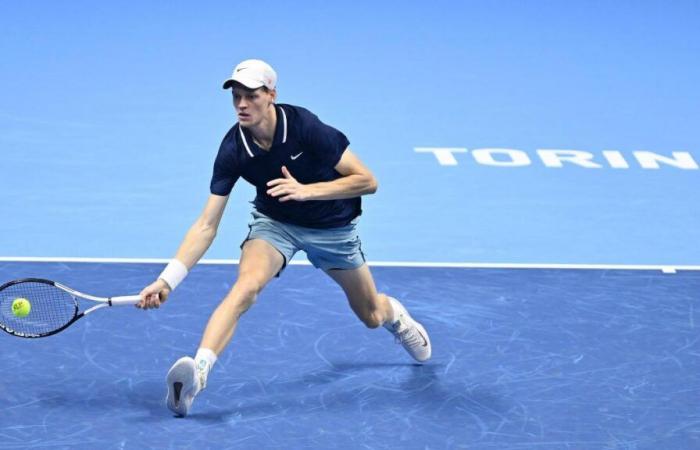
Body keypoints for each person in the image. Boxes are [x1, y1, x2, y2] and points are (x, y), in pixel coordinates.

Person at [137, 59, 432, 417]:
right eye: (236, 98)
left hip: (333, 228)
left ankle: (395, 316)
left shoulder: (304, 126)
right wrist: (168, 279)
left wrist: (307, 191)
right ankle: (198, 374)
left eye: (251, 96)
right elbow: (206, 225)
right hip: (275, 224)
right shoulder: (234, 149)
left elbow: (367, 181)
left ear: (271, 95)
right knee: (245, 287)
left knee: (370, 314)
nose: (242, 105)